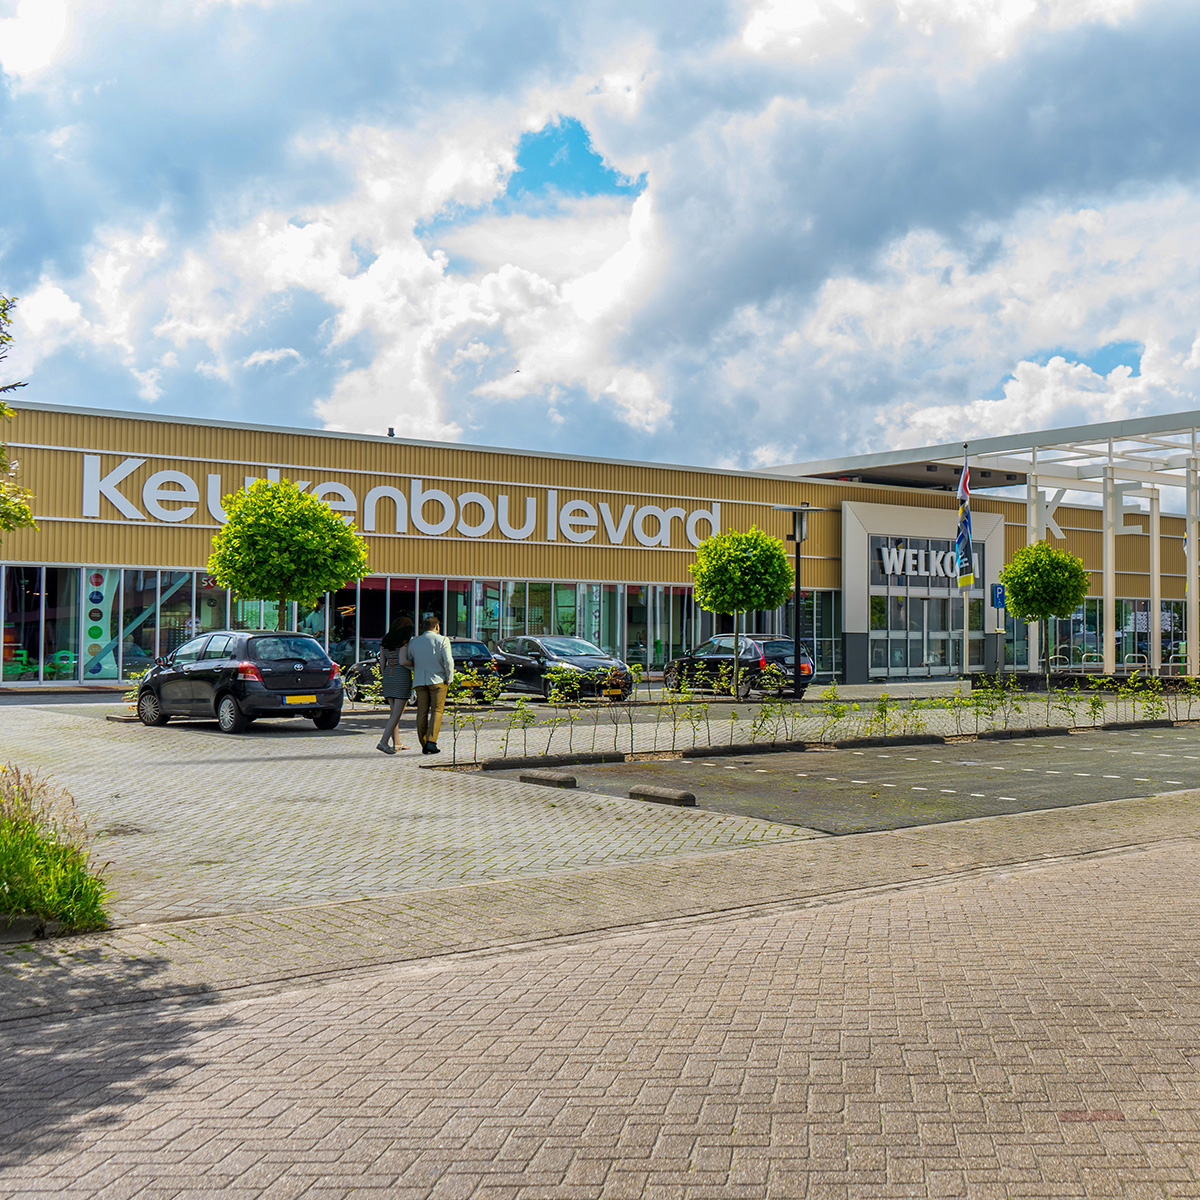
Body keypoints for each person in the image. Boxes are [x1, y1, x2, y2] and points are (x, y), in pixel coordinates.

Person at [408, 614, 455, 755]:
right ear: (437, 626)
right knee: (437, 711)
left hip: (420, 681)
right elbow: (448, 661)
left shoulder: (414, 642)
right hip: (438, 680)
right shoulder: (442, 640)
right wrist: (450, 677)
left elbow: (410, 660)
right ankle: (431, 742)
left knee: (421, 712)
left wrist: (417, 669)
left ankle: (423, 742)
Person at [375, 619, 413, 755]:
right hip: (401, 677)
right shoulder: (404, 641)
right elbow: (403, 661)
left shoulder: (385, 641)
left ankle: (396, 743)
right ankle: (383, 742)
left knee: (393, 713)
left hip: (388, 676)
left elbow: (381, 664)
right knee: (397, 714)